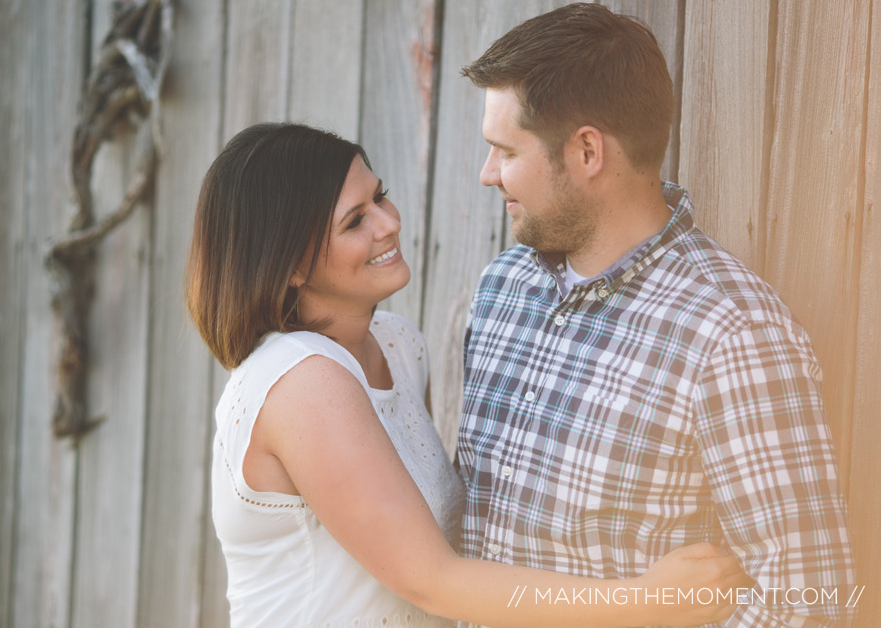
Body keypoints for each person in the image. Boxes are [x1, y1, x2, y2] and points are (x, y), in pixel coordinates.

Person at [185, 122, 748, 627]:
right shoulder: (300, 380)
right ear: (288, 265)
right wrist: (644, 602)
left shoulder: (399, 346)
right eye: (356, 221)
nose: (388, 224)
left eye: (379, 196)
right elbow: (432, 581)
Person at [456, 2, 857, 626]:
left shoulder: (731, 335)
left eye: (505, 151)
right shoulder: (503, 289)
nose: (487, 175)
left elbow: (807, 601)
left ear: (587, 151)